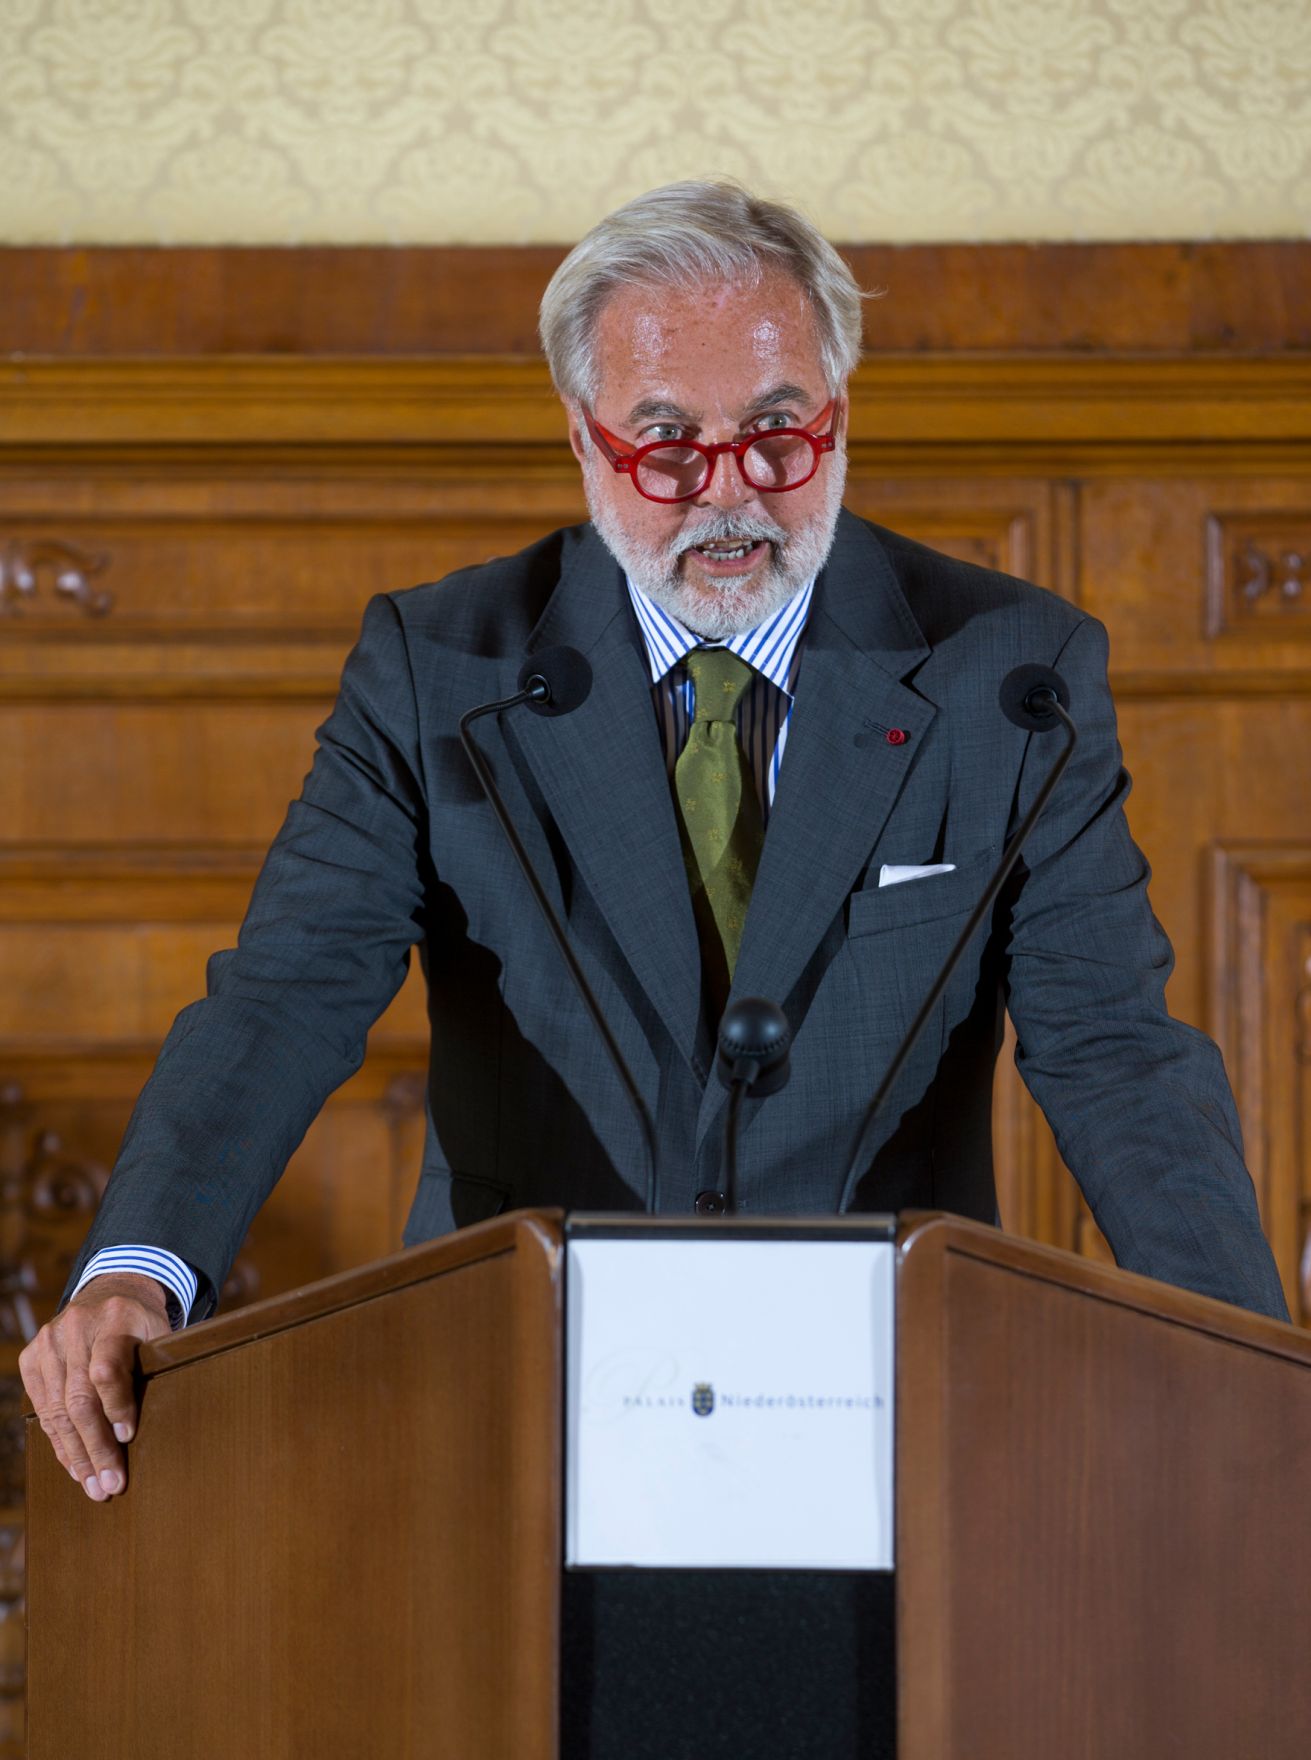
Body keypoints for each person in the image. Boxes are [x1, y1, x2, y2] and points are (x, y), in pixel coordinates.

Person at [21, 180, 1289, 1506]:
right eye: (669, 446)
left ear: (842, 416)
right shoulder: (437, 670)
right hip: (523, 1393)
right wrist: (137, 1269)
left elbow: (1116, 1053)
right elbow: (286, 994)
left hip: (886, 1407)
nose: (732, 495)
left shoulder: (1010, 675)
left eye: (780, 433)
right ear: (583, 439)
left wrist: (1243, 1364)